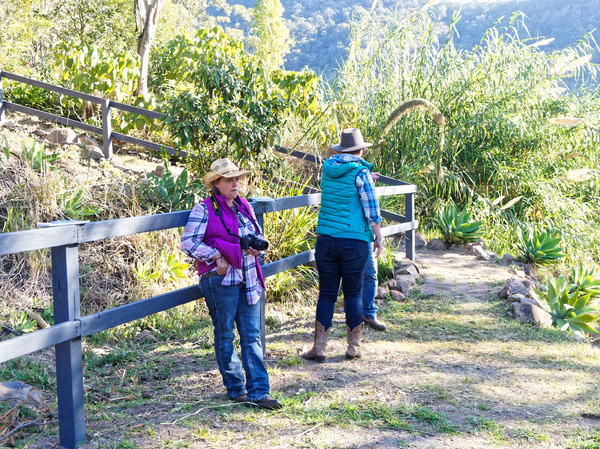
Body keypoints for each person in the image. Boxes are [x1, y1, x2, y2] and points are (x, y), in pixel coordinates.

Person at [180, 158, 282, 410]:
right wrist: (216, 254)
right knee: (225, 334)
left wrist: (256, 246)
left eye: (237, 178)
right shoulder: (203, 209)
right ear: (216, 184)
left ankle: (259, 392)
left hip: (247, 277)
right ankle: (236, 389)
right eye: (229, 179)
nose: (235, 183)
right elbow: (188, 243)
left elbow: (257, 235)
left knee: (252, 335)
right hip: (220, 279)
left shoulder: (244, 205)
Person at [303, 128, 384, 362]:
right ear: (361, 151)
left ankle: (319, 347)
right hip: (354, 241)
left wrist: (369, 179)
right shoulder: (361, 172)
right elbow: (371, 210)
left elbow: (341, 191)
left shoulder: (328, 171)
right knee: (353, 294)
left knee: (326, 294)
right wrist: (379, 237)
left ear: (340, 150)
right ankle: (353, 347)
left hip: (326, 240)